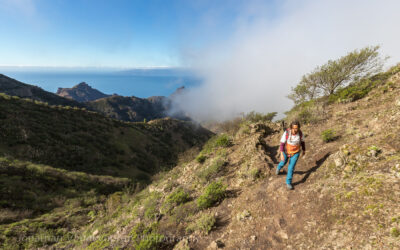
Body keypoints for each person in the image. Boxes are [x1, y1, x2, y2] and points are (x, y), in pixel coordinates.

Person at [276, 121, 305, 190]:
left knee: (291, 168)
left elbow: (303, 142)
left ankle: (288, 182)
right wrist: (281, 153)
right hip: (286, 151)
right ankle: (278, 168)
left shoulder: (300, 134)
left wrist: (304, 150)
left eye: (297, 128)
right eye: (294, 128)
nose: (295, 130)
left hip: (295, 153)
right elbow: (282, 143)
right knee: (283, 162)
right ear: (291, 128)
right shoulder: (286, 133)